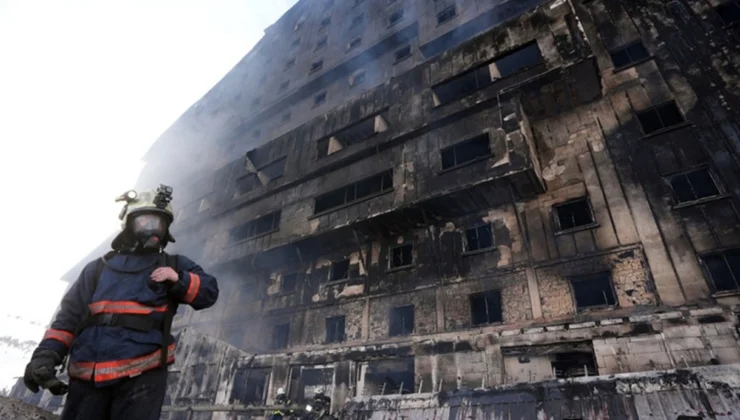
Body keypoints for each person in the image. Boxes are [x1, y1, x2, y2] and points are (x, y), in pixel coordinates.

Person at [22, 185, 219, 420]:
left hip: (141, 378)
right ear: (129, 223)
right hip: (87, 378)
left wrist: (179, 280)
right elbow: (68, 318)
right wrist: (45, 356)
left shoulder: (174, 264)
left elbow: (209, 291)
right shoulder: (97, 268)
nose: (153, 229)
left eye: (160, 224)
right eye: (146, 221)